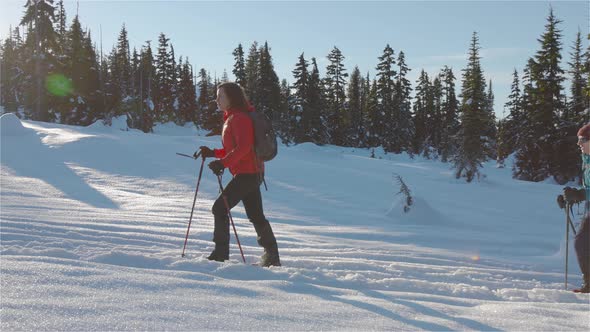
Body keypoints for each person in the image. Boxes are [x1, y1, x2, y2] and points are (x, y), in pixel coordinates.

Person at [197, 82, 281, 267]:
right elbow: (232, 149)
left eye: (221, 96)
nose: (216, 100)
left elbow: (244, 147)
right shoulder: (233, 118)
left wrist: (223, 163)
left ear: (231, 98)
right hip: (251, 174)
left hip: (248, 175)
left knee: (219, 208)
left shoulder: (239, 118)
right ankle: (272, 255)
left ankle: (220, 254)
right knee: (256, 215)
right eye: (217, 96)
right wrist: (213, 153)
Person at [562, 123, 590, 293]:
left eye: (583, 139)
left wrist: (580, 195)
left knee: (583, 243)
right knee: (581, 243)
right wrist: (570, 197)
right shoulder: (587, 159)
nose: (579, 143)